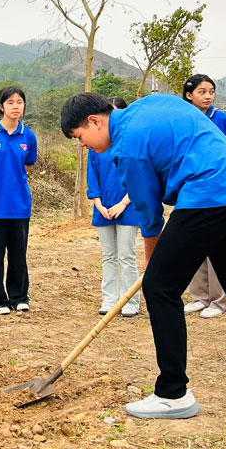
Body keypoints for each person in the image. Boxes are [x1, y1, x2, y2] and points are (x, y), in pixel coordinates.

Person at [61, 92, 226, 420]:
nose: (83, 145)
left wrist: (153, 265)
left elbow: (149, 215)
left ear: (95, 121)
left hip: (208, 195)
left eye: (80, 138)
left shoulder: (127, 147)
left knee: (160, 288)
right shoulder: (150, 104)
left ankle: (173, 393)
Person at [0, 86, 37, 314]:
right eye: (10, 102)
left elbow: (28, 164)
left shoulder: (28, 136)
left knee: (18, 254)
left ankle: (19, 296)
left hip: (19, 205)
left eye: (19, 102)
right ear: (1, 106)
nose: (15, 106)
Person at [182, 75, 226, 319]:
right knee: (193, 246)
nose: (208, 96)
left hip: (218, 192)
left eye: (211, 91)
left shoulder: (222, 120)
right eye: (202, 91)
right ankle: (200, 297)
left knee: (216, 247)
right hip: (192, 191)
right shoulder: (184, 120)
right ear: (188, 95)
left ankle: (220, 301)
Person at [87, 96, 141, 317]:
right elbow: (93, 178)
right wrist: (99, 204)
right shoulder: (96, 146)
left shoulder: (130, 142)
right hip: (103, 209)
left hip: (128, 208)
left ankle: (130, 301)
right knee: (108, 255)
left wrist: (123, 203)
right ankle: (110, 298)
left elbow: (139, 178)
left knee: (126, 255)